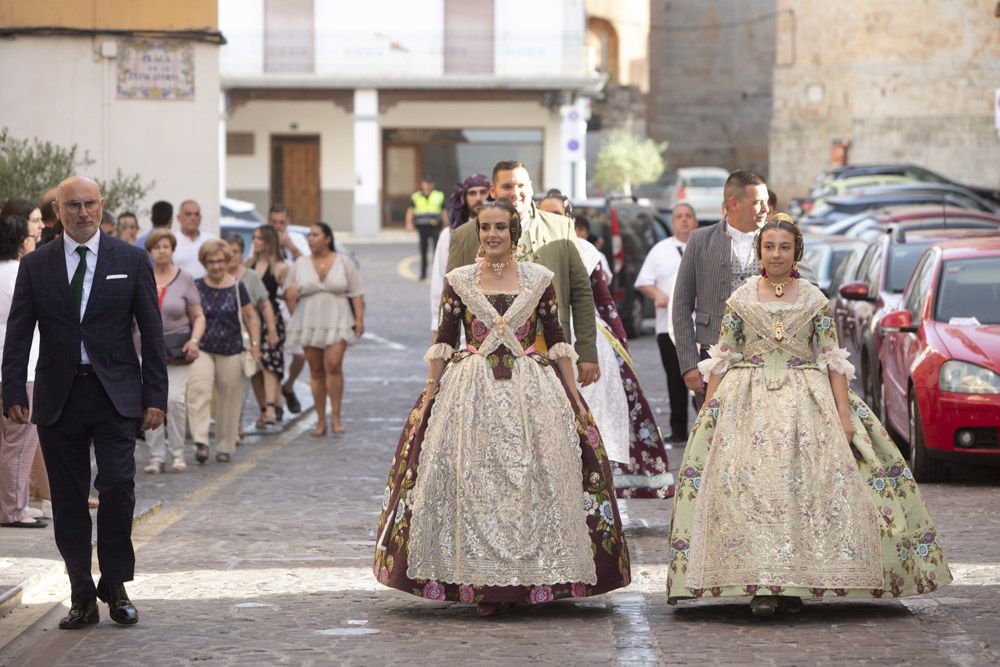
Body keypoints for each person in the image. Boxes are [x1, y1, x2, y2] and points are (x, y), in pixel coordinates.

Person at [666, 215, 952, 615]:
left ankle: (798, 581)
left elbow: (834, 361)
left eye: (784, 247)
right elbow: (723, 358)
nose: (776, 254)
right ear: (759, 251)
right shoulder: (741, 300)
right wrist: (709, 413)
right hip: (746, 405)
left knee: (804, 488)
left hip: (808, 402)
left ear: (796, 252)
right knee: (753, 490)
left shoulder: (815, 300)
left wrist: (844, 415)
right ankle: (762, 584)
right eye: (769, 247)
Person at [373, 199, 630, 615]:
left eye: (501, 227)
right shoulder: (458, 279)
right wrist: (430, 393)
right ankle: (478, 584)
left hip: (532, 391)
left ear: (514, 233)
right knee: (472, 477)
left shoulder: (540, 278)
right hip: (470, 391)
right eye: (486, 227)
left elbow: (556, 336)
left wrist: (574, 397)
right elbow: (443, 338)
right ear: (479, 233)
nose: (493, 234)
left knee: (536, 474)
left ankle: (536, 576)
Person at [2, 176, 167, 629]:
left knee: (118, 487)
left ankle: (114, 583)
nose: (82, 212)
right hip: (59, 395)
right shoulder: (36, 266)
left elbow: (151, 334)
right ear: (57, 209)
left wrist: (156, 396)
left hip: (116, 394)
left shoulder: (130, 260)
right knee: (69, 500)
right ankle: (81, 593)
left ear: (101, 206)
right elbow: (18, 333)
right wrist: (12, 389)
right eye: (72, 205)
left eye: (89, 204)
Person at [447, 160, 600, 387]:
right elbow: (452, 302)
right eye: (507, 186)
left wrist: (587, 352)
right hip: (488, 357)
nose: (515, 193)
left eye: (521, 186)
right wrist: (448, 360)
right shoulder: (466, 235)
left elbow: (581, 293)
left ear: (530, 187)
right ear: (493, 191)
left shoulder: (560, 228)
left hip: (551, 350)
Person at [672, 169, 816, 409]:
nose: (764, 208)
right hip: (713, 357)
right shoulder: (700, 240)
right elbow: (680, 307)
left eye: (765, 203)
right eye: (757, 202)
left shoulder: (780, 239)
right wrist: (689, 364)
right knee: (715, 436)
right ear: (733, 203)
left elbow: (810, 284)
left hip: (770, 359)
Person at [285, 223, 364, 437]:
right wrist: (294, 309)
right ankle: (321, 420)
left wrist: (359, 319)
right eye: (309, 235)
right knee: (316, 370)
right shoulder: (300, 264)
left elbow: (356, 292)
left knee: (334, 364)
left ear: (327, 238)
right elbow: (288, 291)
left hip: (338, 317)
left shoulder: (344, 262)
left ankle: (336, 415)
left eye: (315, 235)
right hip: (310, 319)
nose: (310, 239)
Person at [188, 240, 261, 464]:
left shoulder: (238, 287)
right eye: (211, 262)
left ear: (227, 261)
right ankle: (200, 441)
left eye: (220, 261)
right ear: (204, 263)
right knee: (199, 390)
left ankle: (225, 445)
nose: (216, 266)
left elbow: (250, 316)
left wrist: (256, 346)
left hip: (232, 349)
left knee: (230, 398)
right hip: (204, 348)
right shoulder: (197, 286)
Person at [635, 202, 699, 442]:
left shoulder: (705, 247)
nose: (684, 221)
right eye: (679, 217)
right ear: (672, 223)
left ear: (695, 221)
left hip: (700, 325)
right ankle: (679, 430)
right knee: (676, 378)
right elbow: (643, 281)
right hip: (667, 326)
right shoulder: (660, 250)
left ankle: (706, 429)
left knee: (703, 377)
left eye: (688, 216)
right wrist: (658, 295)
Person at [143, 229, 205, 474]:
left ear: (172, 250)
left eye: (166, 246)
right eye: (157, 247)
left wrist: (195, 340)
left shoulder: (185, 279)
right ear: (149, 251)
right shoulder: (142, 277)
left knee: (173, 400)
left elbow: (198, 315)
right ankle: (156, 456)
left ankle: (178, 452)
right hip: (144, 349)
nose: (162, 251)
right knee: (149, 403)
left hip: (176, 351)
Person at [0, 214, 46, 528]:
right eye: (30, 237)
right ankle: (14, 509)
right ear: (20, 243)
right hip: (22, 367)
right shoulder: (24, 272)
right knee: (19, 442)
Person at [224, 233, 279, 429]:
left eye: (236, 251)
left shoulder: (251, 276)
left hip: (248, 337)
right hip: (224, 337)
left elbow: (264, 304)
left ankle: (237, 423)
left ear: (241, 253)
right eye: (227, 251)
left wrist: (271, 330)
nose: (231, 255)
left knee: (243, 381)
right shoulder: (216, 276)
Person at [429, 173, 490, 330]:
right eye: (472, 193)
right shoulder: (449, 234)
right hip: (462, 326)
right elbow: (440, 278)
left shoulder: (505, 232)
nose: (478, 198)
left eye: (483, 192)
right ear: (463, 198)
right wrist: (437, 324)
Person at [267, 204, 307, 416]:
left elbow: (308, 266)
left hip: (295, 307)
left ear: (288, 221)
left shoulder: (298, 240)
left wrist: (290, 245)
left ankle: (289, 385)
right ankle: (276, 402)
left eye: (281, 222)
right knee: (274, 356)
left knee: (300, 354)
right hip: (272, 306)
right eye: (274, 222)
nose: (278, 227)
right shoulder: (263, 239)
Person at [247, 225, 287, 426]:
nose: (255, 241)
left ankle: (271, 406)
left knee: (270, 363)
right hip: (251, 318)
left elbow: (287, 293)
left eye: (259, 238)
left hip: (272, 319)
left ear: (269, 241)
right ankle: (263, 407)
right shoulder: (249, 264)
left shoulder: (280, 267)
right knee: (254, 365)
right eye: (254, 238)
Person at [405, 177, 445, 281]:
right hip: (422, 227)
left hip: (435, 227)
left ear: (433, 184)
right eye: (426, 183)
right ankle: (423, 274)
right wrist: (409, 223)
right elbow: (410, 210)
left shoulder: (438, 196)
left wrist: (446, 224)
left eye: (430, 183)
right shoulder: (416, 196)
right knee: (423, 251)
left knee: (437, 251)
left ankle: (436, 274)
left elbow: (443, 210)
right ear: (422, 184)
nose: (428, 185)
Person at [172, 200, 216, 279]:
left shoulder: (211, 240)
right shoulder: (171, 240)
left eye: (196, 214)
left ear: (200, 218)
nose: (193, 218)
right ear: (179, 217)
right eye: (188, 214)